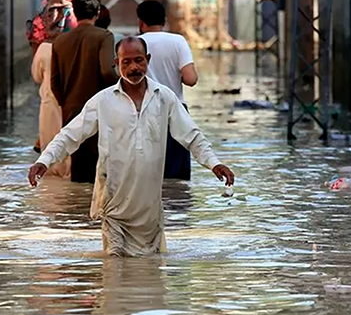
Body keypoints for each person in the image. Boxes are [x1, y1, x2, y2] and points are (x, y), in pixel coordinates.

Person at [29, 37, 235, 257]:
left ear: (148, 60)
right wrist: (45, 160)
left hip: (149, 210)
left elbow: (191, 136)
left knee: (151, 271)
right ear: (116, 64)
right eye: (126, 62)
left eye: (138, 60)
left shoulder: (164, 98)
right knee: (114, 265)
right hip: (114, 204)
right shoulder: (103, 101)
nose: (133, 67)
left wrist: (215, 163)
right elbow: (71, 135)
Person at [50, 0, 118, 183]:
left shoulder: (60, 40)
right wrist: (119, 92)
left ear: (75, 13)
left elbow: (54, 83)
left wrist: (67, 103)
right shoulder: (104, 36)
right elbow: (107, 71)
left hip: (71, 113)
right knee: (101, 174)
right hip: (100, 112)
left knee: (78, 173)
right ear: (97, 13)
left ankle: (76, 213)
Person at [137, 0, 199, 180]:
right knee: (176, 174)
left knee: (148, 171)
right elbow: (191, 79)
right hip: (175, 110)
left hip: (144, 110)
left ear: (141, 22)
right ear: (164, 21)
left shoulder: (135, 43)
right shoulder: (178, 41)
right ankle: (177, 206)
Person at [27, 0, 81, 153]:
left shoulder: (42, 13)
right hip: (73, 79)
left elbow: (36, 60)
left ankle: (42, 142)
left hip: (47, 75)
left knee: (50, 123)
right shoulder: (77, 14)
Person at [31, 39, 70, 178]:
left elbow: (36, 76)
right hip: (72, 103)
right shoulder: (74, 45)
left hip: (50, 105)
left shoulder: (44, 49)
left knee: (51, 164)